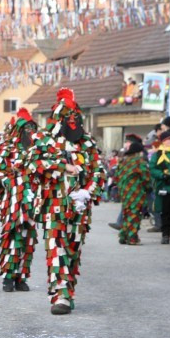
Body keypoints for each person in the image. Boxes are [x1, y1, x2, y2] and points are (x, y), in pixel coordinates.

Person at [24, 89, 104, 315]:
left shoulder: (87, 144)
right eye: (67, 117)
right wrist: (63, 167)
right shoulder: (43, 141)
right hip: (52, 207)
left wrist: (88, 192)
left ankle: (68, 291)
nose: (72, 121)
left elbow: (98, 172)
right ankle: (60, 296)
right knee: (56, 250)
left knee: (72, 250)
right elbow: (32, 166)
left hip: (80, 209)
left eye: (75, 117)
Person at [0, 110, 40, 293]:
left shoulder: (38, 147)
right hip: (13, 201)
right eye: (26, 128)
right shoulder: (9, 147)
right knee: (12, 237)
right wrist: (7, 178)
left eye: (32, 128)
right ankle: (8, 277)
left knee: (29, 239)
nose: (30, 131)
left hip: (34, 199)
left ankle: (22, 277)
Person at [116, 141, 152, 245]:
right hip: (136, 192)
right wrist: (148, 187)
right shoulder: (140, 162)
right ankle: (132, 238)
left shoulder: (123, 162)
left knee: (126, 213)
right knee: (134, 214)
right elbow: (146, 178)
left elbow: (117, 177)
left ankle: (124, 235)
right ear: (138, 152)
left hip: (124, 191)